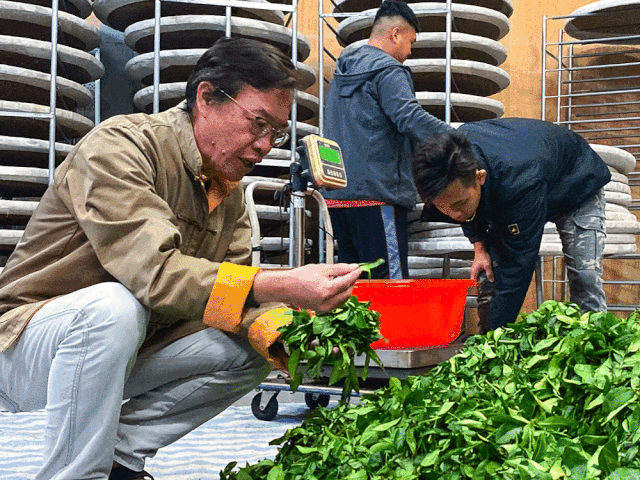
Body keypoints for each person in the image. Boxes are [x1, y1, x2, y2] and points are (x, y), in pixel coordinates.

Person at [0, 38, 363, 480]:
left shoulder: (226, 191)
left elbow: (230, 296)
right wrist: (282, 283)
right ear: (206, 98)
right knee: (113, 307)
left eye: (276, 133)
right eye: (258, 124)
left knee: (251, 346)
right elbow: (154, 274)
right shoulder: (121, 146)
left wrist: (284, 328)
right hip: (25, 348)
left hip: (124, 348)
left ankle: (117, 460)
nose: (266, 145)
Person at [412, 117, 610, 333]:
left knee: (584, 275)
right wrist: (479, 246)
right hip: (528, 174)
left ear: (480, 177)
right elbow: (464, 211)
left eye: (459, 204)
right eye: (443, 207)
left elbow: (517, 266)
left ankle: (594, 339)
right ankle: (486, 337)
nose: (454, 215)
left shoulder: (519, 181)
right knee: (490, 273)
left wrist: (494, 336)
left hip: (577, 182)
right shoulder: (449, 163)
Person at [322, 0, 453, 279]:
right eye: (410, 42)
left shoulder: (341, 74)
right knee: (388, 287)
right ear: (395, 34)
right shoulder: (388, 70)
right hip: (377, 196)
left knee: (352, 288)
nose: (409, 52)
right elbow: (409, 117)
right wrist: (460, 139)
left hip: (337, 198)